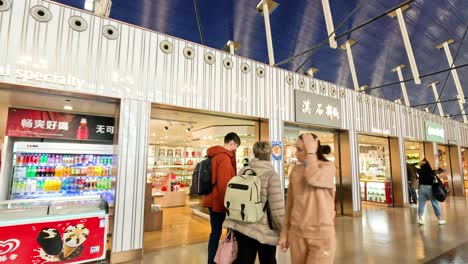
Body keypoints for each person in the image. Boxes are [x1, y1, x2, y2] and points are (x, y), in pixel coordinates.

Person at [224, 141, 285, 264]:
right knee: (268, 260)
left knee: (244, 260)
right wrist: (284, 229)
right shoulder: (271, 176)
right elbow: (276, 209)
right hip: (264, 230)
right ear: (270, 154)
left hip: (242, 225)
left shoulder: (243, 171)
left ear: (254, 152)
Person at [279, 133, 336, 264]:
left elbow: (313, 178)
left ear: (312, 148)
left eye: (300, 149)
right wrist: (285, 232)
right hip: (297, 234)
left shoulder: (327, 168)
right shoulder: (296, 170)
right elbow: (290, 204)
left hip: (321, 236)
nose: (296, 154)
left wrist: (311, 154)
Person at [202, 132, 241, 264]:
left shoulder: (214, 155)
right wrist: (230, 205)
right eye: (236, 147)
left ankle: (211, 260)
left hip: (211, 200)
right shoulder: (224, 158)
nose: (235, 150)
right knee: (224, 232)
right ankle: (221, 259)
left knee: (215, 232)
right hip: (219, 202)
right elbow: (225, 185)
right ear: (231, 143)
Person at [416, 158, 446, 225]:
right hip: (430, 188)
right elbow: (439, 171)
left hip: (421, 188)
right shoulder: (431, 172)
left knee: (421, 204)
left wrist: (420, 163)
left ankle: (420, 219)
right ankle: (440, 219)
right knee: (434, 203)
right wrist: (442, 170)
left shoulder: (419, 171)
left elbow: (414, 168)